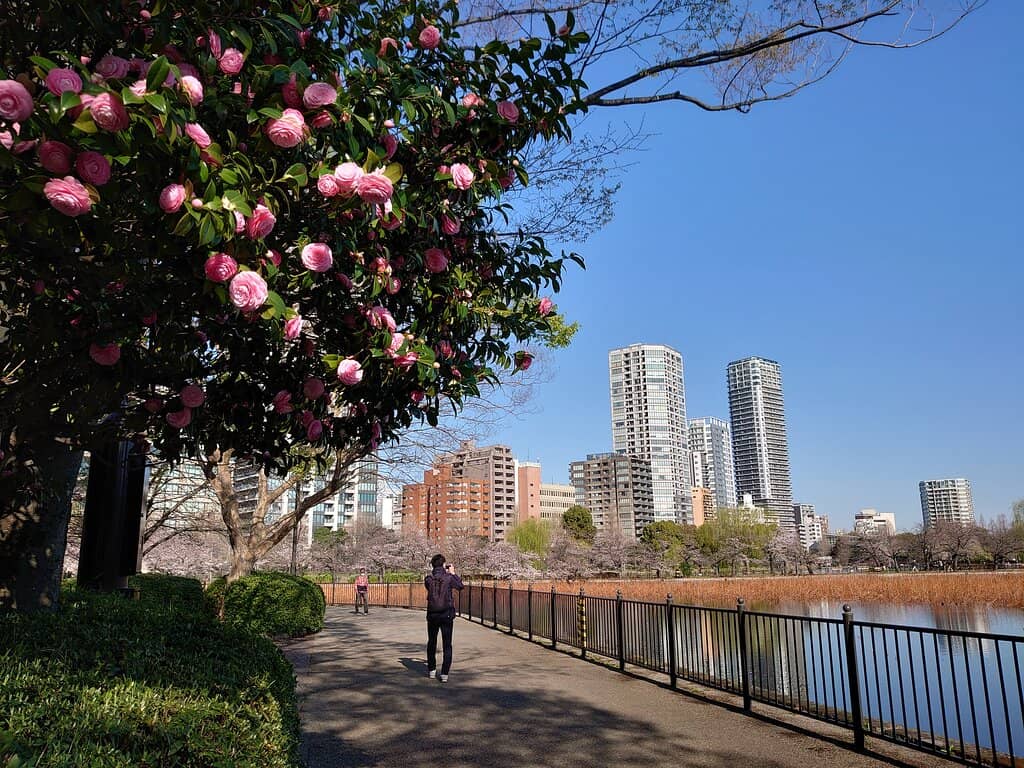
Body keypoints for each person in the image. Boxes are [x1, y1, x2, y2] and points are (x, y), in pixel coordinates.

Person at [424, 554, 463, 682]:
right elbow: (460, 586)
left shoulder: (428, 579)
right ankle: (444, 674)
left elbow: (430, 588)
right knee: (447, 645)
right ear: (443, 564)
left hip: (432, 615)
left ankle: (431, 670)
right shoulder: (449, 578)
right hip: (446, 614)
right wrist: (452, 573)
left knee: (432, 642)